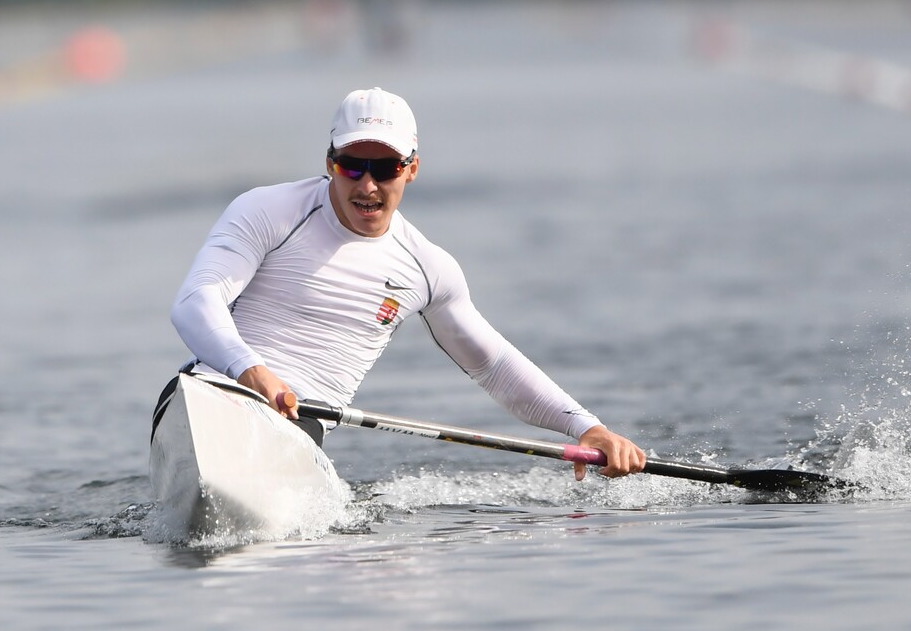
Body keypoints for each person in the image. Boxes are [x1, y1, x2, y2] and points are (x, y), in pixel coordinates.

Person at [162, 87, 645, 480]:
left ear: (412, 169)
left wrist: (588, 427)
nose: (367, 185)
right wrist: (252, 371)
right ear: (330, 162)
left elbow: (495, 366)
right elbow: (194, 301)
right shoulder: (267, 210)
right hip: (213, 393)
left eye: (385, 168)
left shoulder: (427, 268)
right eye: (352, 164)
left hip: (295, 430)